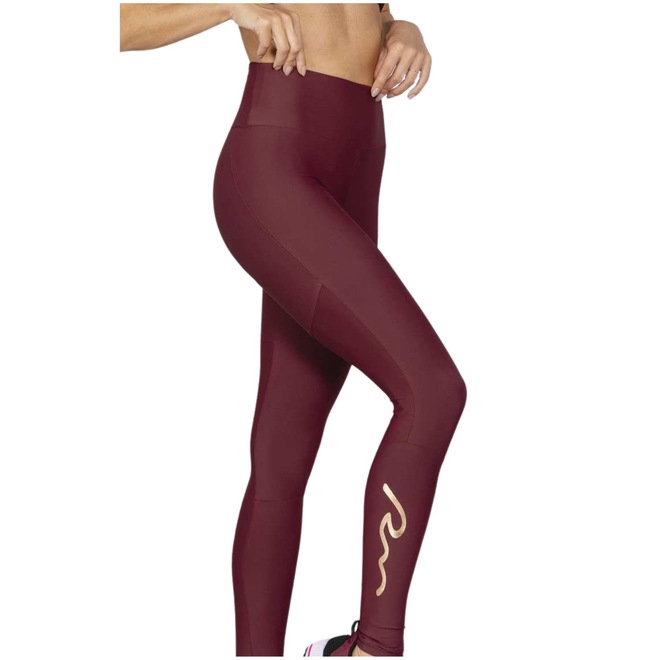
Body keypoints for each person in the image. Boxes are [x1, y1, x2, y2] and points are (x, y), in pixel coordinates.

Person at [120, 4, 467, 656]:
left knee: (282, 457)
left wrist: (404, 31)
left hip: (358, 161)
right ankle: (373, 649)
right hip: (274, 163)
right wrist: (228, 4)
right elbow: (117, 23)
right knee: (432, 390)